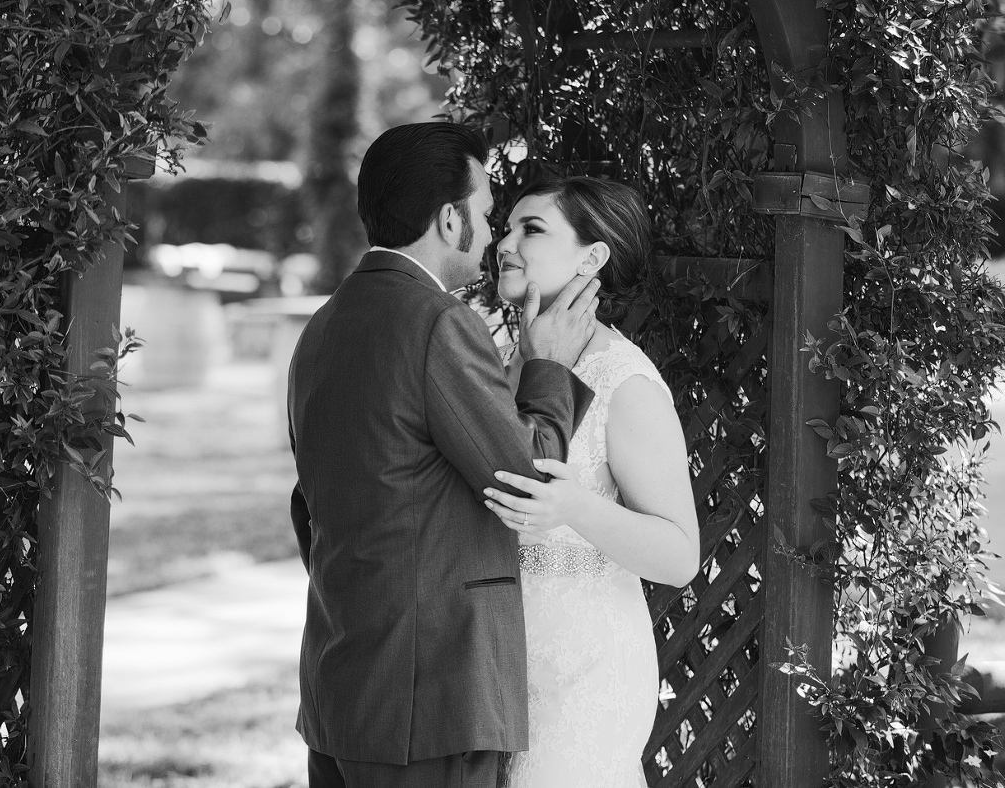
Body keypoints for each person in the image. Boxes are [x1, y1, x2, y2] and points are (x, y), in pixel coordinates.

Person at [287, 123, 603, 788]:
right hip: (430, 701)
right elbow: (527, 478)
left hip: (339, 687)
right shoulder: (435, 321)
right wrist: (545, 365)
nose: (492, 235)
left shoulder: (322, 325)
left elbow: (308, 503)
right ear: (450, 219)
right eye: (487, 213)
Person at [482, 176, 701, 787]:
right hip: (492, 669)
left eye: (532, 229)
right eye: (506, 227)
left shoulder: (624, 383)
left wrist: (574, 505)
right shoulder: (502, 357)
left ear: (593, 257)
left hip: (585, 672)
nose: (505, 242)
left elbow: (680, 554)